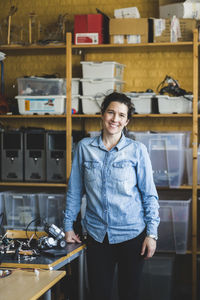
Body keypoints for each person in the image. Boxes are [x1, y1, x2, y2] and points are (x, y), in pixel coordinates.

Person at [64, 92, 160, 300]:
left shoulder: (137, 150)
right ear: (102, 114)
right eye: (111, 112)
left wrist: (151, 235)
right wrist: (68, 226)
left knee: (129, 294)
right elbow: (74, 191)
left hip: (133, 235)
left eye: (121, 115)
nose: (115, 119)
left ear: (127, 121)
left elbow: (149, 195)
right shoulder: (84, 148)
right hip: (98, 237)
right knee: (98, 294)